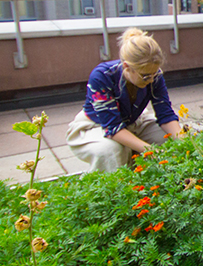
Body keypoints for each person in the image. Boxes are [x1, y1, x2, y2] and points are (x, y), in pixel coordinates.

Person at [66, 28, 182, 172]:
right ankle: (111, 188)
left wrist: (184, 141)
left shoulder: (153, 74)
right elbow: (112, 127)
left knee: (171, 138)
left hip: (134, 122)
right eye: (146, 76)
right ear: (127, 67)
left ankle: (152, 181)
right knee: (111, 150)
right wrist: (151, 151)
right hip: (96, 125)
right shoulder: (102, 76)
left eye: (155, 74)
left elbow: (165, 114)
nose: (152, 80)